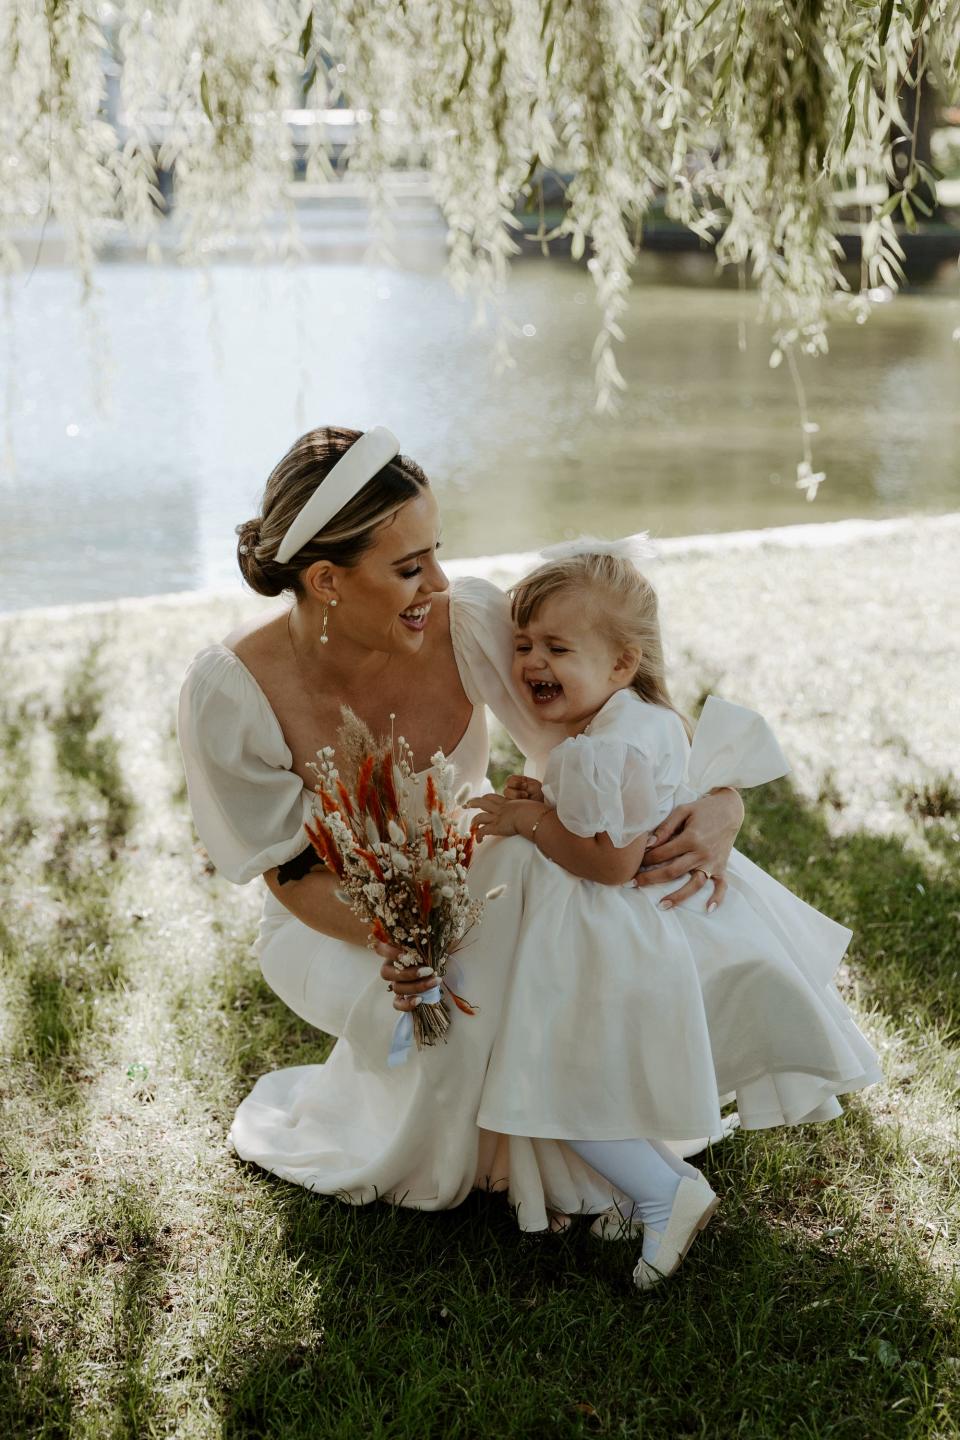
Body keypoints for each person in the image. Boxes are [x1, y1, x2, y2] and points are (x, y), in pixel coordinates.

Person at [177, 424, 745, 1236]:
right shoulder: (232, 692)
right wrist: (398, 938)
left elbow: (620, 727)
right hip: (336, 917)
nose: (439, 581)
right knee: (470, 979)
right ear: (329, 580)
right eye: (410, 567)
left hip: (474, 873)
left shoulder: (466, 621)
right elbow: (291, 872)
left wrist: (722, 799)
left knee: (535, 907)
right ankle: (576, 1166)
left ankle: (589, 1163)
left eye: (436, 552)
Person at [466, 542, 883, 1285]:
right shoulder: (641, 722)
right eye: (525, 643)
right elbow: (609, 819)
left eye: (557, 647)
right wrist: (546, 801)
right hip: (645, 914)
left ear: (622, 663)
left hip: (608, 925)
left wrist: (525, 823)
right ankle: (643, 1185)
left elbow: (610, 861)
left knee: (555, 1067)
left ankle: (667, 1192)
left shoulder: (603, 749)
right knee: (607, 1067)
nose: (532, 661)